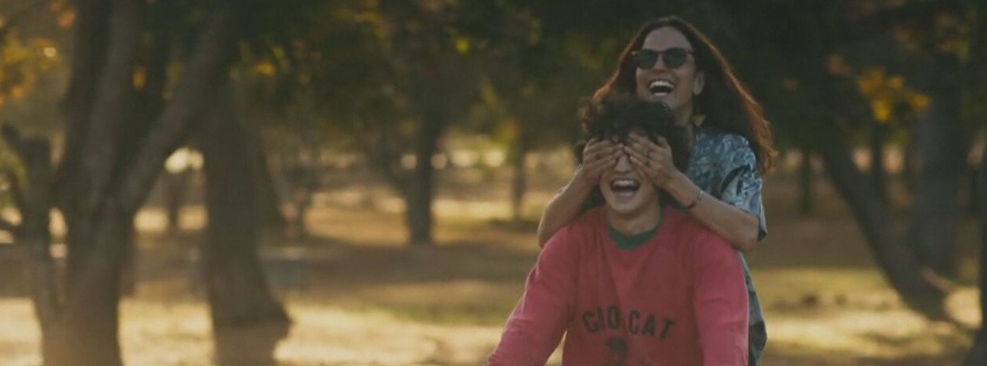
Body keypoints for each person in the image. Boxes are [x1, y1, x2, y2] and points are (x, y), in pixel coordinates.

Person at [536, 16, 775, 364]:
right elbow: (548, 235)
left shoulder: (728, 150)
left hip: (714, 320)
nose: (658, 66)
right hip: (628, 321)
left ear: (698, 81)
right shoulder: (614, 147)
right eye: (646, 59)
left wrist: (672, 180)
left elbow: (746, 232)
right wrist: (585, 177)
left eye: (675, 58)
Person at [488, 97, 748, 366]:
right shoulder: (570, 246)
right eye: (610, 156)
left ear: (665, 166)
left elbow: (726, 354)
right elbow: (522, 345)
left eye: (638, 156)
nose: (622, 168)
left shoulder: (707, 252)